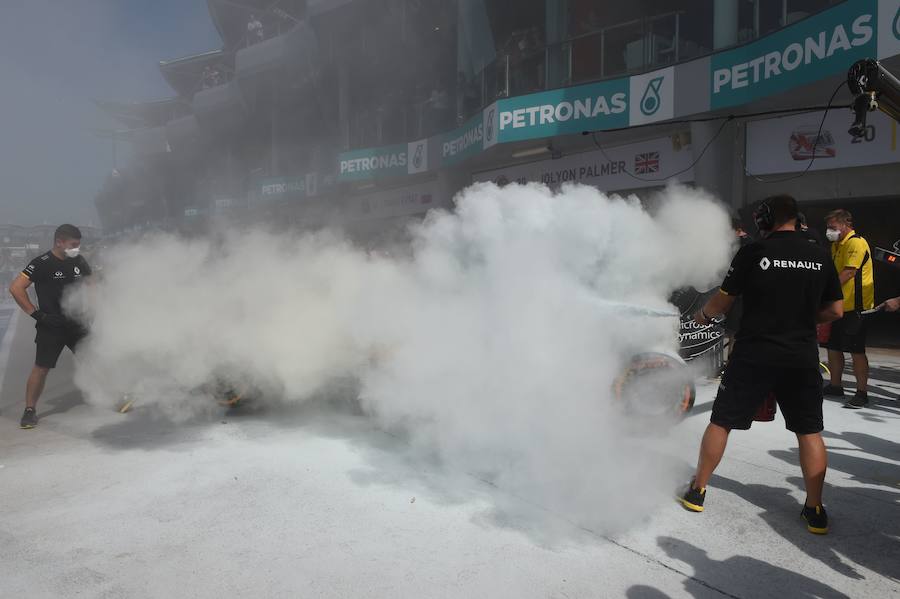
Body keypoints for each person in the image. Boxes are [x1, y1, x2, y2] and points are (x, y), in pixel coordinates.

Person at [680, 195, 843, 535]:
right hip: (800, 355)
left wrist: (703, 314)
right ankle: (814, 510)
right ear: (796, 218)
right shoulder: (819, 254)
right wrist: (799, 318)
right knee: (809, 431)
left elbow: (724, 300)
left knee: (722, 421)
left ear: (765, 219)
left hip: (755, 353)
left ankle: (698, 490)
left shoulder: (754, 251)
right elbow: (835, 311)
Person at [7, 224, 92, 429]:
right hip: (51, 325)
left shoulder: (78, 260)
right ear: (59, 242)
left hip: (77, 323)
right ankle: (29, 411)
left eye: (78, 245)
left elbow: (91, 283)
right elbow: (16, 287)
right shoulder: (41, 263)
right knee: (42, 368)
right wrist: (37, 314)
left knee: (94, 359)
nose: (76, 249)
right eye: (73, 245)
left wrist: (91, 307)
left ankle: (113, 396)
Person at [821, 209, 875, 409]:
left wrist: (824, 291)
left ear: (845, 225)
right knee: (833, 347)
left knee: (856, 350)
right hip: (839, 305)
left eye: (833, 227)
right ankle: (836, 385)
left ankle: (862, 393)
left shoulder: (856, 242)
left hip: (857, 306)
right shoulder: (836, 245)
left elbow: (849, 273)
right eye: (828, 227)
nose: (830, 231)